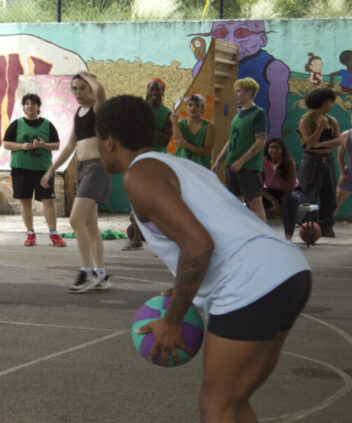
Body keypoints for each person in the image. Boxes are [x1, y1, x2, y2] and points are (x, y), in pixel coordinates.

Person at [95, 94, 312, 423]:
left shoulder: (138, 176)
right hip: (289, 271)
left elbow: (198, 246)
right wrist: (187, 289)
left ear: (108, 141)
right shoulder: (182, 167)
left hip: (250, 282)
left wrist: (173, 320)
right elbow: (218, 231)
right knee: (233, 403)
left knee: (217, 406)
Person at [42, 72, 111, 293]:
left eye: (83, 87)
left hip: (97, 168)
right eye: (74, 88)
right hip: (83, 169)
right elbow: (71, 145)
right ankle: (101, 274)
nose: (78, 92)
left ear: (90, 88)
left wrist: (89, 77)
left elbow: (100, 92)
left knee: (75, 220)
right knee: (90, 225)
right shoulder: (79, 113)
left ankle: (86, 271)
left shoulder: (98, 109)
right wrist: (51, 169)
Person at [3, 93, 65, 249]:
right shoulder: (16, 124)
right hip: (20, 169)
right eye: (26, 103)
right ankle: (30, 233)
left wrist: (44, 145)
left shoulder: (47, 124)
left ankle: (53, 234)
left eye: (33, 104)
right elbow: (6, 144)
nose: (29, 106)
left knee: (48, 201)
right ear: (24, 107)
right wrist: (22, 146)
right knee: (25, 202)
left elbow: (57, 145)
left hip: (43, 170)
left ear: (39, 107)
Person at [123, 78, 173, 251]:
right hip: (138, 160)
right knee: (136, 200)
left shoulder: (167, 114)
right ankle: (136, 238)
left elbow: (165, 140)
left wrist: (151, 127)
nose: (154, 94)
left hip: (157, 161)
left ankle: (162, 240)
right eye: (151, 90)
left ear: (162, 94)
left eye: (157, 91)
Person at [213, 77, 268, 223]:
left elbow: (261, 141)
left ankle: (266, 238)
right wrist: (219, 161)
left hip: (248, 166)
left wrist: (242, 161)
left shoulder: (258, 113)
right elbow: (231, 141)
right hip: (232, 165)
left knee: (254, 202)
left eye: (239, 91)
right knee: (235, 203)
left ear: (249, 92)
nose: (235, 94)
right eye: (235, 91)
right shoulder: (237, 115)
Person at [297, 87, 341, 237]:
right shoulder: (306, 120)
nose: (331, 105)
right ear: (323, 102)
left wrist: (322, 145)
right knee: (309, 195)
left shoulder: (332, 120)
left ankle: (326, 226)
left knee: (330, 197)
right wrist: (320, 128)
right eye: (330, 102)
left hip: (328, 160)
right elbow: (309, 143)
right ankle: (307, 226)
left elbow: (339, 140)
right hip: (312, 161)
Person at [262, 138, 304, 240]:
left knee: (289, 199)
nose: (274, 150)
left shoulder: (290, 164)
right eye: (271, 147)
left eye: (277, 147)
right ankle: (256, 233)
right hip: (272, 192)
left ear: (282, 150)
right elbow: (259, 187)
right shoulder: (264, 162)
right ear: (267, 149)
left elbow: (289, 190)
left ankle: (288, 235)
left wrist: (277, 174)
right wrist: (274, 201)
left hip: (292, 191)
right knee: (253, 199)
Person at [170, 94, 215, 169]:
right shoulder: (180, 124)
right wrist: (174, 122)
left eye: (197, 105)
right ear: (186, 107)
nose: (193, 108)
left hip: (200, 168)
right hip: (182, 167)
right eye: (190, 105)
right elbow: (179, 142)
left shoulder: (209, 126)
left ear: (202, 108)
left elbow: (207, 152)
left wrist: (187, 145)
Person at [336, 123, 352, 215]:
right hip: (349, 173)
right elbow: (340, 155)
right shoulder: (346, 135)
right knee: (336, 201)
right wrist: (342, 173)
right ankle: (327, 226)